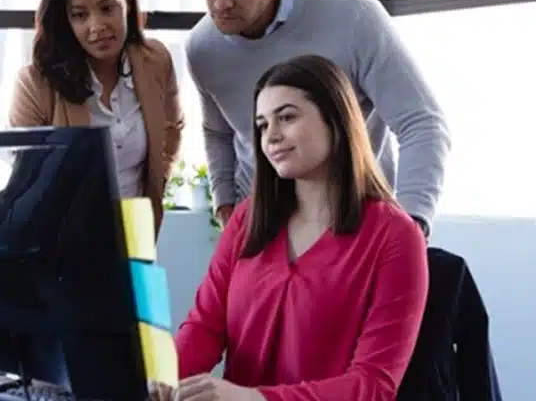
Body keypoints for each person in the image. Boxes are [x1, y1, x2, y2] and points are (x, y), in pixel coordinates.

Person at [150, 55, 429, 401]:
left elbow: (373, 385)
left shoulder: (395, 236)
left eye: (287, 117)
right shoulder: (247, 219)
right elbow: (205, 326)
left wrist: (256, 399)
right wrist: (160, 380)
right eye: (263, 125)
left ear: (336, 119)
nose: (272, 136)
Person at [186, 0, 450, 235]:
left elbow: (422, 123)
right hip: (261, 226)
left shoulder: (356, 18)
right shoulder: (202, 46)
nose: (220, 3)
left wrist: (411, 227)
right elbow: (218, 131)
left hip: (354, 220)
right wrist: (225, 203)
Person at [9, 0, 184, 234]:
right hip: (64, 239)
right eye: (79, 15)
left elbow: (171, 129)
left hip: (137, 226)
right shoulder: (35, 84)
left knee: (140, 280)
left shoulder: (156, 60)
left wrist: (156, 183)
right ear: (65, 20)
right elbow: (26, 181)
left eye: (107, 8)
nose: (96, 26)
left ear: (127, 3)